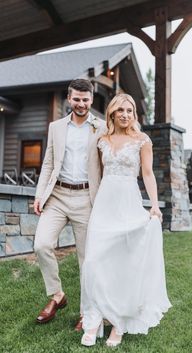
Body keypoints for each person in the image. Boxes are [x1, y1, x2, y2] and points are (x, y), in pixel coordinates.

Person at [80, 93, 172, 347]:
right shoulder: (102, 140)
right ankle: (94, 317)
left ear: (135, 114)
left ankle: (119, 322)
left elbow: (147, 174)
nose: (125, 115)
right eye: (120, 110)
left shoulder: (142, 140)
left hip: (128, 203)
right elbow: (98, 173)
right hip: (104, 206)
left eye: (130, 111)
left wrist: (154, 205)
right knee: (95, 260)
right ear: (111, 113)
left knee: (123, 263)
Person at [33, 78, 106, 328]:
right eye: (76, 99)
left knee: (87, 259)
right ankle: (57, 295)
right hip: (57, 196)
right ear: (69, 98)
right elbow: (48, 163)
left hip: (87, 199)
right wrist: (39, 195)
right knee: (41, 244)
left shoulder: (102, 128)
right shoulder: (56, 127)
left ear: (91, 100)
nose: (81, 104)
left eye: (85, 99)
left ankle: (87, 312)